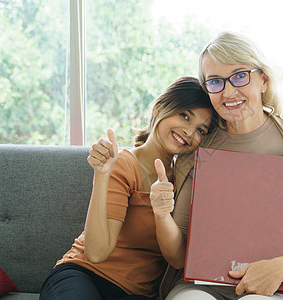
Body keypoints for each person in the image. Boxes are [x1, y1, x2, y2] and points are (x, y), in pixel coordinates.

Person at [159, 32, 283, 300]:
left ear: (264, 80)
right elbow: (179, 254)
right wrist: (159, 213)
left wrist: (279, 268)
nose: (228, 92)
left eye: (240, 76)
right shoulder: (197, 148)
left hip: (279, 287)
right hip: (201, 286)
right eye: (215, 81)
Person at [39, 77, 217, 300]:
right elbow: (96, 253)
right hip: (83, 274)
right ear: (160, 108)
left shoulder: (185, 179)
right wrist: (102, 175)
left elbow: (178, 259)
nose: (190, 132)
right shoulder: (124, 163)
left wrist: (162, 213)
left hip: (136, 293)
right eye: (184, 116)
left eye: (201, 129)